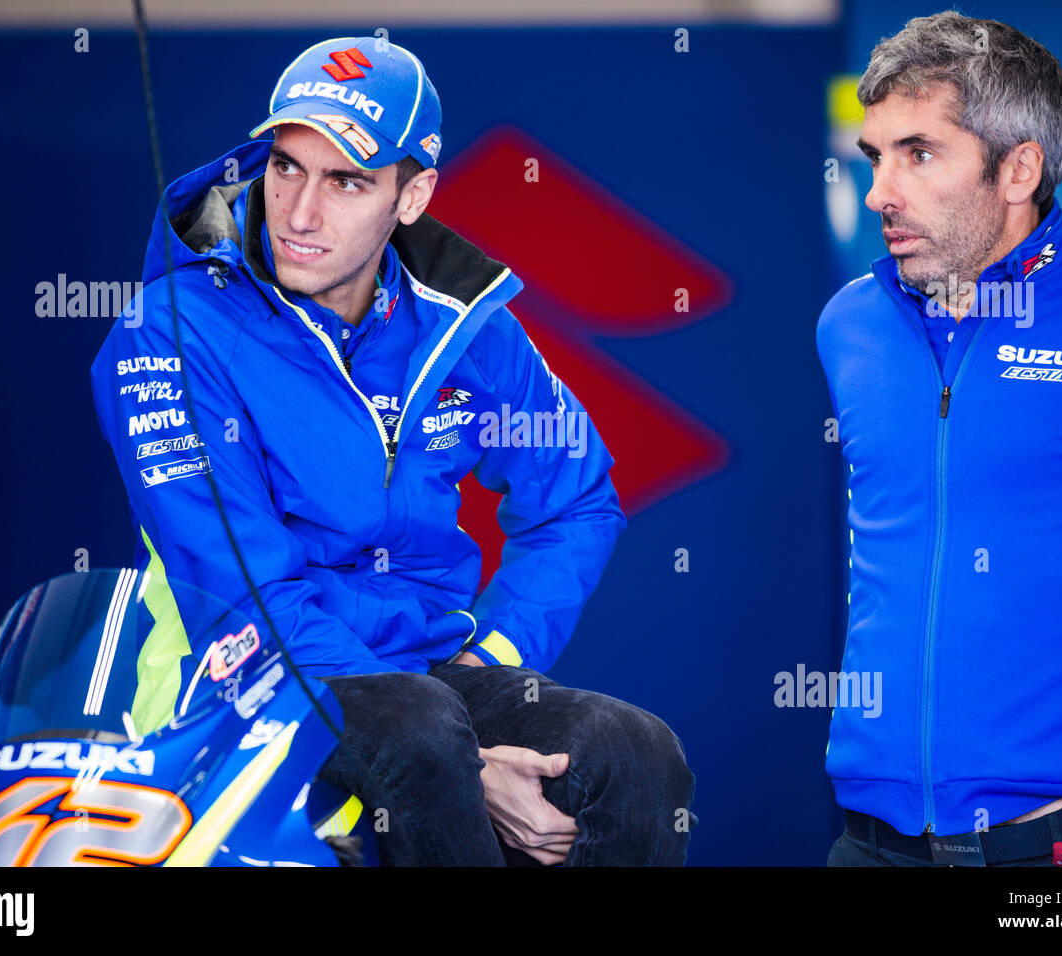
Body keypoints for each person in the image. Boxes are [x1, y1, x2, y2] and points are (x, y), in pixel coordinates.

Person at [90, 36, 694, 866]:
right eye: (287, 168)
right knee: (419, 732)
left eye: (347, 181)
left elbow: (577, 500)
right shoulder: (168, 332)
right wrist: (470, 763)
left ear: (414, 197)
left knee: (630, 752)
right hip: (234, 678)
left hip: (429, 676)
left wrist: (495, 654)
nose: (300, 213)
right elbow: (246, 594)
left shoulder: (463, 323)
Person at [817, 11, 1062, 866]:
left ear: (1018, 168)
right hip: (872, 843)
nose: (879, 192)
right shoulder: (852, 324)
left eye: (919, 153)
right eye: (875, 157)